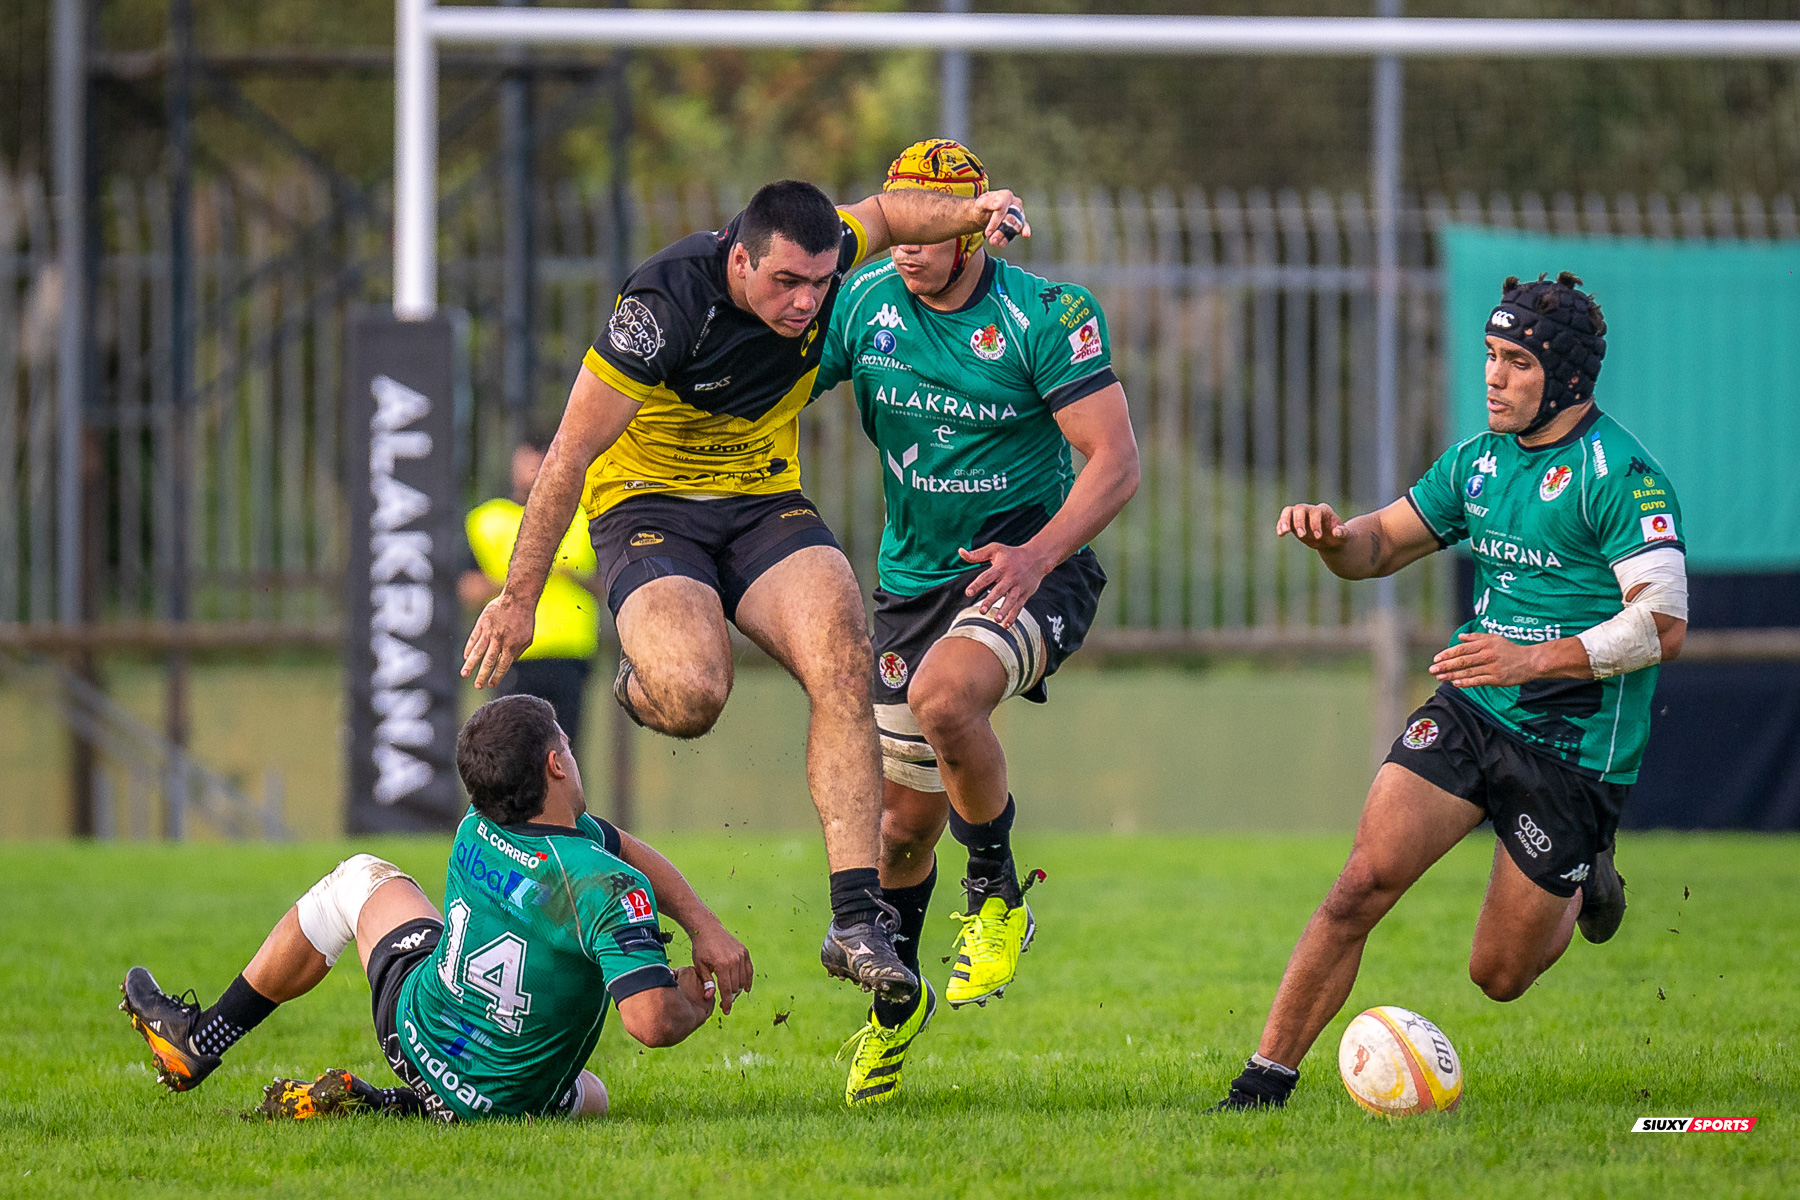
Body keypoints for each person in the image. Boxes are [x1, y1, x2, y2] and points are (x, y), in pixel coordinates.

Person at [461, 176, 1031, 1006]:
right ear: (740, 258)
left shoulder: (826, 249)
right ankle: (644, 678)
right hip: (650, 507)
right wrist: (518, 595)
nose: (806, 303)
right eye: (786, 283)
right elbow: (567, 454)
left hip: (761, 499)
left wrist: (973, 215)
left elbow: (891, 208)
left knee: (844, 659)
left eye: (821, 283)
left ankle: (855, 916)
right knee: (694, 693)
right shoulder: (664, 304)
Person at [1211, 272, 1687, 1111]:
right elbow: (1378, 548)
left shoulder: (1622, 475)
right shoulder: (1477, 462)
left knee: (1498, 976)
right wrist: (1332, 537)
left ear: (1568, 377)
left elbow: (1664, 624)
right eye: (1490, 357)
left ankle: (1584, 882)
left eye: (1516, 363)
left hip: (1573, 746)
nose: (1494, 378)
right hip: (1472, 710)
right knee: (1361, 882)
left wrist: (1529, 662)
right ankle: (1263, 1083)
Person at [814, 139, 1140, 1106]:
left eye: (933, 225)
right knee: (900, 832)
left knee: (947, 697)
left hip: (1035, 563)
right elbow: (781, 373)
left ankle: (995, 891)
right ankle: (896, 1003)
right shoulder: (864, 302)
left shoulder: (1049, 314)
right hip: (913, 584)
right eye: (898, 222)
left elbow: (1115, 462)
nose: (909, 244)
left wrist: (1038, 554)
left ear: (970, 229)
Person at [120, 694, 752, 1122]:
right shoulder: (604, 884)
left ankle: (208, 1042)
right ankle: (406, 1102)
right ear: (558, 765)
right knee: (593, 1096)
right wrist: (689, 1000)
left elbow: (618, 849)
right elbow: (651, 1023)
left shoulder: (476, 825)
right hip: (512, 1099)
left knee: (357, 880)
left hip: (415, 1036)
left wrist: (704, 926)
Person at [461, 434, 601, 759]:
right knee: (512, 756)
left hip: (570, 656)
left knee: (566, 756)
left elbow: (606, 582)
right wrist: (522, 583)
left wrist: (572, 577)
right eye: (530, 458)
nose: (535, 468)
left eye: (543, 458)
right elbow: (466, 586)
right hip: (512, 655)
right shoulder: (486, 520)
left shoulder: (582, 517)